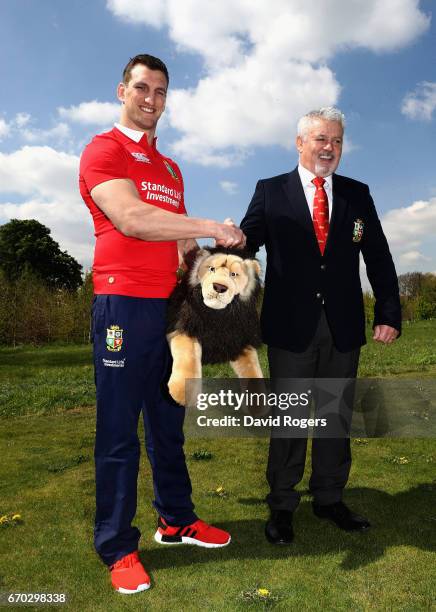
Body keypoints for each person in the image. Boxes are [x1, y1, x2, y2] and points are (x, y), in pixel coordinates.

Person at [79, 54, 245, 594]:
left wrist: (220, 282)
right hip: (121, 307)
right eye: (142, 88)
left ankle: (176, 520)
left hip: (169, 311)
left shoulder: (170, 169)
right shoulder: (102, 150)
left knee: (169, 422)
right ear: (122, 90)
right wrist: (212, 224)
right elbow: (132, 218)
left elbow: (181, 243)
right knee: (119, 431)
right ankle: (118, 547)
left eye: (161, 91)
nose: (152, 99)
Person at [240, 107, 401, 545]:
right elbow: (247, 240)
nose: (329, 148)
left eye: (337, 141)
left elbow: (379, 256)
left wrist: (388, 311)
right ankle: (282, 505)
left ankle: (329, 499)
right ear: (300, 142)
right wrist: (225, 252)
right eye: (321, 139)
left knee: (334, 417)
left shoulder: (356, 194)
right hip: (291, 326)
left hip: (343, 326)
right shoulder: (270, 191)